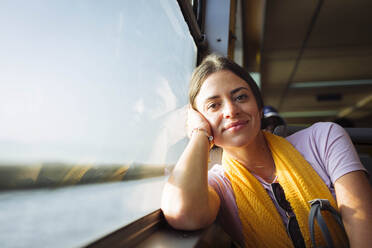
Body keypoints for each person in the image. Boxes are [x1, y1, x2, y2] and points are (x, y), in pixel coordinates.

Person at [161, 54, 372, 248]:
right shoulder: (219, 185)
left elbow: (363, 229)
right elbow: (183, 212)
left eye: (241, 97)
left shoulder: (324, 139)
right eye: (214, 106)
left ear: (259, 108)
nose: (231, 110)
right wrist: (199, 134)